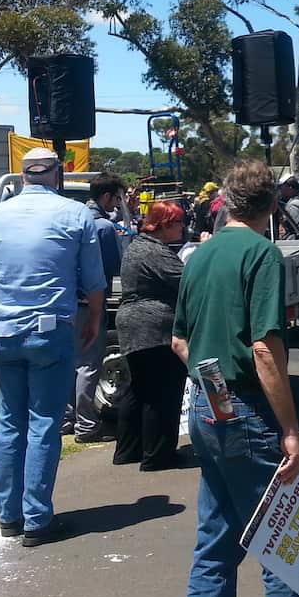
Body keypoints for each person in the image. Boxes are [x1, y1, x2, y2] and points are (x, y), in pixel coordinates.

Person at [172, 160, 299, 597]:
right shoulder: (263, 253)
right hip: (246, 409)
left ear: (227, 202)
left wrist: (213, 386)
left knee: (216, 539)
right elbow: (265, 349)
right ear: (272, 204)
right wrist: (290, 429)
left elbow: (179, 341)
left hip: (207, 405)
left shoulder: (199, 256)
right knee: (283, 545)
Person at [0, 147, 106, 547]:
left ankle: (9, 515)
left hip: (3, 330)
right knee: (44, 422)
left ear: (22, 174)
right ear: (57, 173)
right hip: (49, 330)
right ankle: (36, 518)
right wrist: (95, 321)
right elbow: (95, 280)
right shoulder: (76, 214)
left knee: (9, 422)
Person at [113, 201, 189, 471]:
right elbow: (186, 280)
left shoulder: (138, 246)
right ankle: (157, 455)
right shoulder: (154, 250)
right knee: (163, 391)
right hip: (152, 326)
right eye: (179, 222)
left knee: (139, 389)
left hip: (134, 323)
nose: (183, 226)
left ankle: (128, 450)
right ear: (165, 224)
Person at [64, 173, 125, 443]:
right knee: (88, 365)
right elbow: (112, 268)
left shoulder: (71, 219)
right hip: (91, 302)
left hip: (66, 302)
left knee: (69, 363)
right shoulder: (104, 228)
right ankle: (87, 424)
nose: (117, 204)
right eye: (116, 198)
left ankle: (67, 418)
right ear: (106, 197)